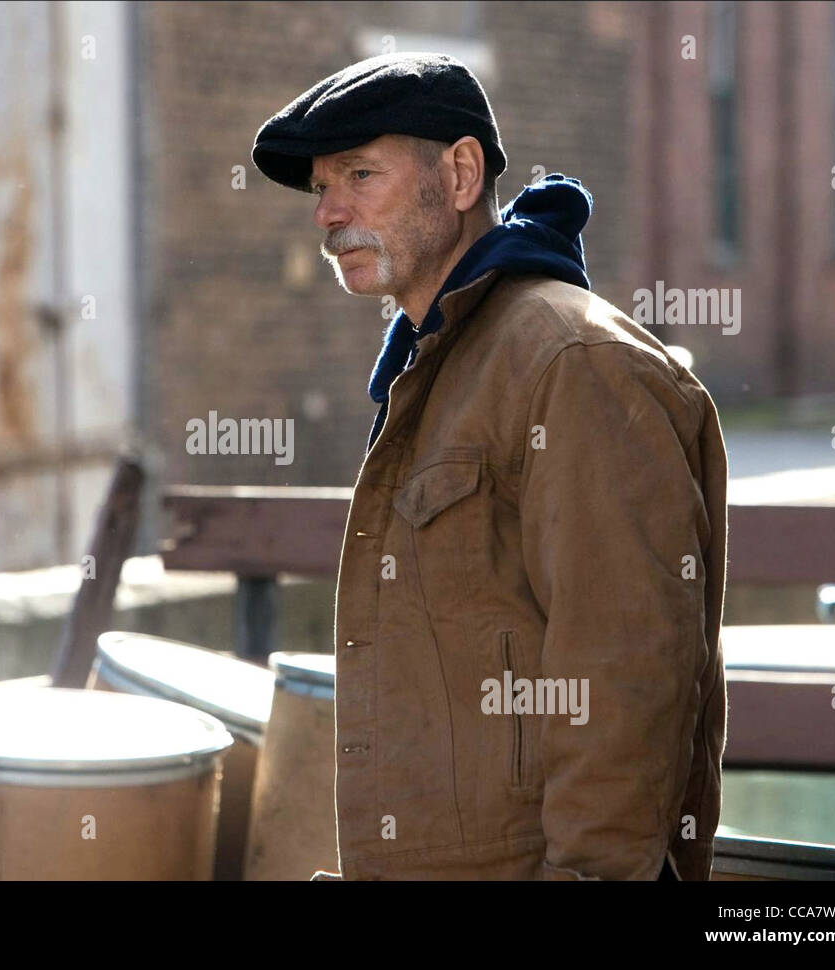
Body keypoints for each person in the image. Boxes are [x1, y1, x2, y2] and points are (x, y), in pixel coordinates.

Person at [253, 53, 728, 881]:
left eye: (361, 175)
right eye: (321, 187)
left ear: (463, 172)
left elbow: (624, 669)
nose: (328, 212)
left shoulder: (571, 360)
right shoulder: (437, 365)